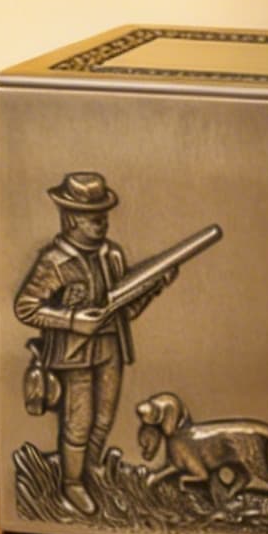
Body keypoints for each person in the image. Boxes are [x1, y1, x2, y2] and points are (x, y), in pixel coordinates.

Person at [13, 171, 176, 514]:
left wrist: (155, 286)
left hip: (110, 350)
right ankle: (71, 485)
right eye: (93, 217)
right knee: (78, 423)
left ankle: (90, 473)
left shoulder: (112, 256)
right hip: (73, 357)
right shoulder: (53, 261)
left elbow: (124, 310)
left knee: (104, 419)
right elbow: (25, 308)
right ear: (71, 218)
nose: (101, 223)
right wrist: (72, 321)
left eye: (103, 216)